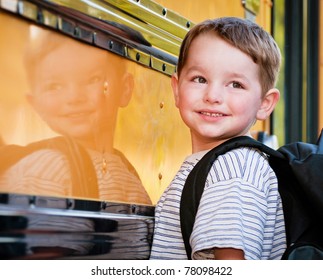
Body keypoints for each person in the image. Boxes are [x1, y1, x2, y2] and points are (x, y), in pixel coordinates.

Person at [150, 17, 286, 260]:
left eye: (235, 84)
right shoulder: (218, 164)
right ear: (177, 89)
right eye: (199, 79)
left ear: (265, 104)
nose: (213, 96)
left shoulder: (233, 169)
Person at [0, 25, 151, 206]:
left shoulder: (127, 173)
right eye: (55, 86)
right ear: (36, 104)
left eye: (92, 79)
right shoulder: (45, 170)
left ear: (125, 88)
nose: (74, 98)